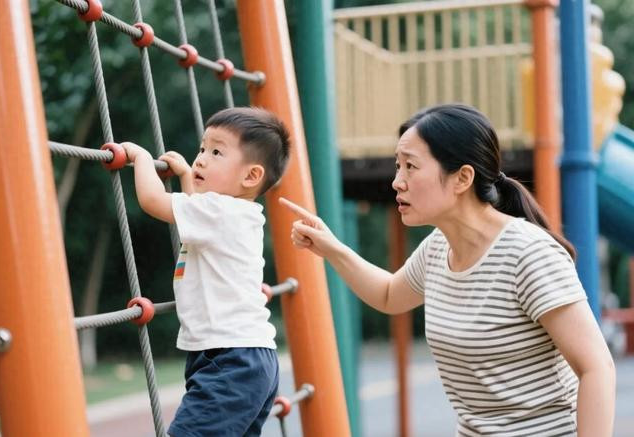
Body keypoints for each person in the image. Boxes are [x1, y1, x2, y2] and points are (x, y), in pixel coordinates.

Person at [280, 103, 615, 436]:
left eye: (411, 166)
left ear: (462, 178)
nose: (397, 182)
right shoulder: (438, 248)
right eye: (398, 166)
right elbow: (388, 295)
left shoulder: (528, 254)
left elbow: (596, 368)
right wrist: (331, 247)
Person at [121, 106, 290, 437]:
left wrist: (140, 158)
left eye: (216, 152)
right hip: (250, 358)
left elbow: (153, 200)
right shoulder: (237, 212)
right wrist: (187, 176)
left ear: (251, 176)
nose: (200, 160)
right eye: (202, 149)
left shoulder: (218, 212)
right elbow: (198, 208)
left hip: (229, 361)